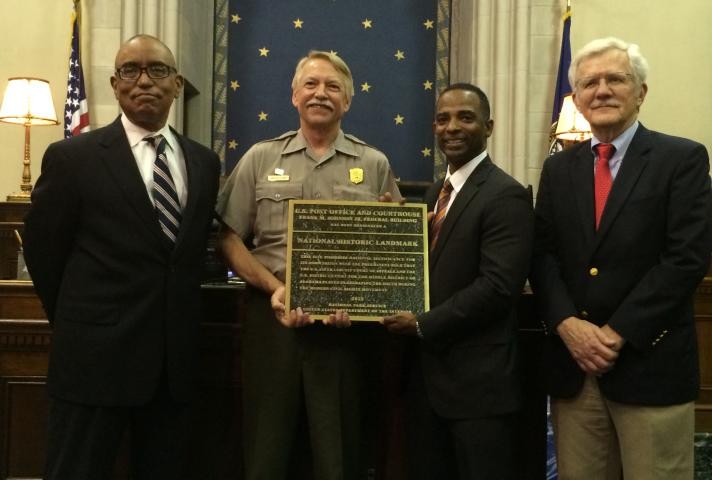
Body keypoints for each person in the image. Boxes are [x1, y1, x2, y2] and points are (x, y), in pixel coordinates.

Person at [23, 34, 221, 479]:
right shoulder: (74, 158)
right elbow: (43, 253)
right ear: (114, 85)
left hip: (174, 370)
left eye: (158, 70)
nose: (144, 80)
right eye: (130, 70)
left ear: (177, 83)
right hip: (93, 362)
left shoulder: (204, 162)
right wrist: (83, 322)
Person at [530, 37, 711, 480]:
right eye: (590, 82)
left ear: (641, 92)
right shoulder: (559, 169)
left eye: (616, 79)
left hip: (649, 364)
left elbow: (685, 259)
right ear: (577, 97)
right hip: (575, 372)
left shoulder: (681, 159)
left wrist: (615, 333)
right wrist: (567, 325)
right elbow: (542, 255)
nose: (602, 90)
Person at [216, 50, 402, 480]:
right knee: (268, 447)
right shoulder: (261, 158)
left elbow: (392, 247)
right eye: (312, 85)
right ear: (294, 96)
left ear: (348, 101)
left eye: (333, 86)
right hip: (272, 316)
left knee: (339, 452)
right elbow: (228, 237)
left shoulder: (373, 164)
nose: (321, 93)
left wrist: (361, 300)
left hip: (346, 330)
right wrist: (272, 287)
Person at [382, 83, 534, 480]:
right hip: (427, 383)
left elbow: (498, 288)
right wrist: (396, 231)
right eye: (443, 118)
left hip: (478, 389)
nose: (453, 127)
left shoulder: (506, 195)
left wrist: (420, 324)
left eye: (465, 117)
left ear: (489, 126)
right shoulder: (436, 193)